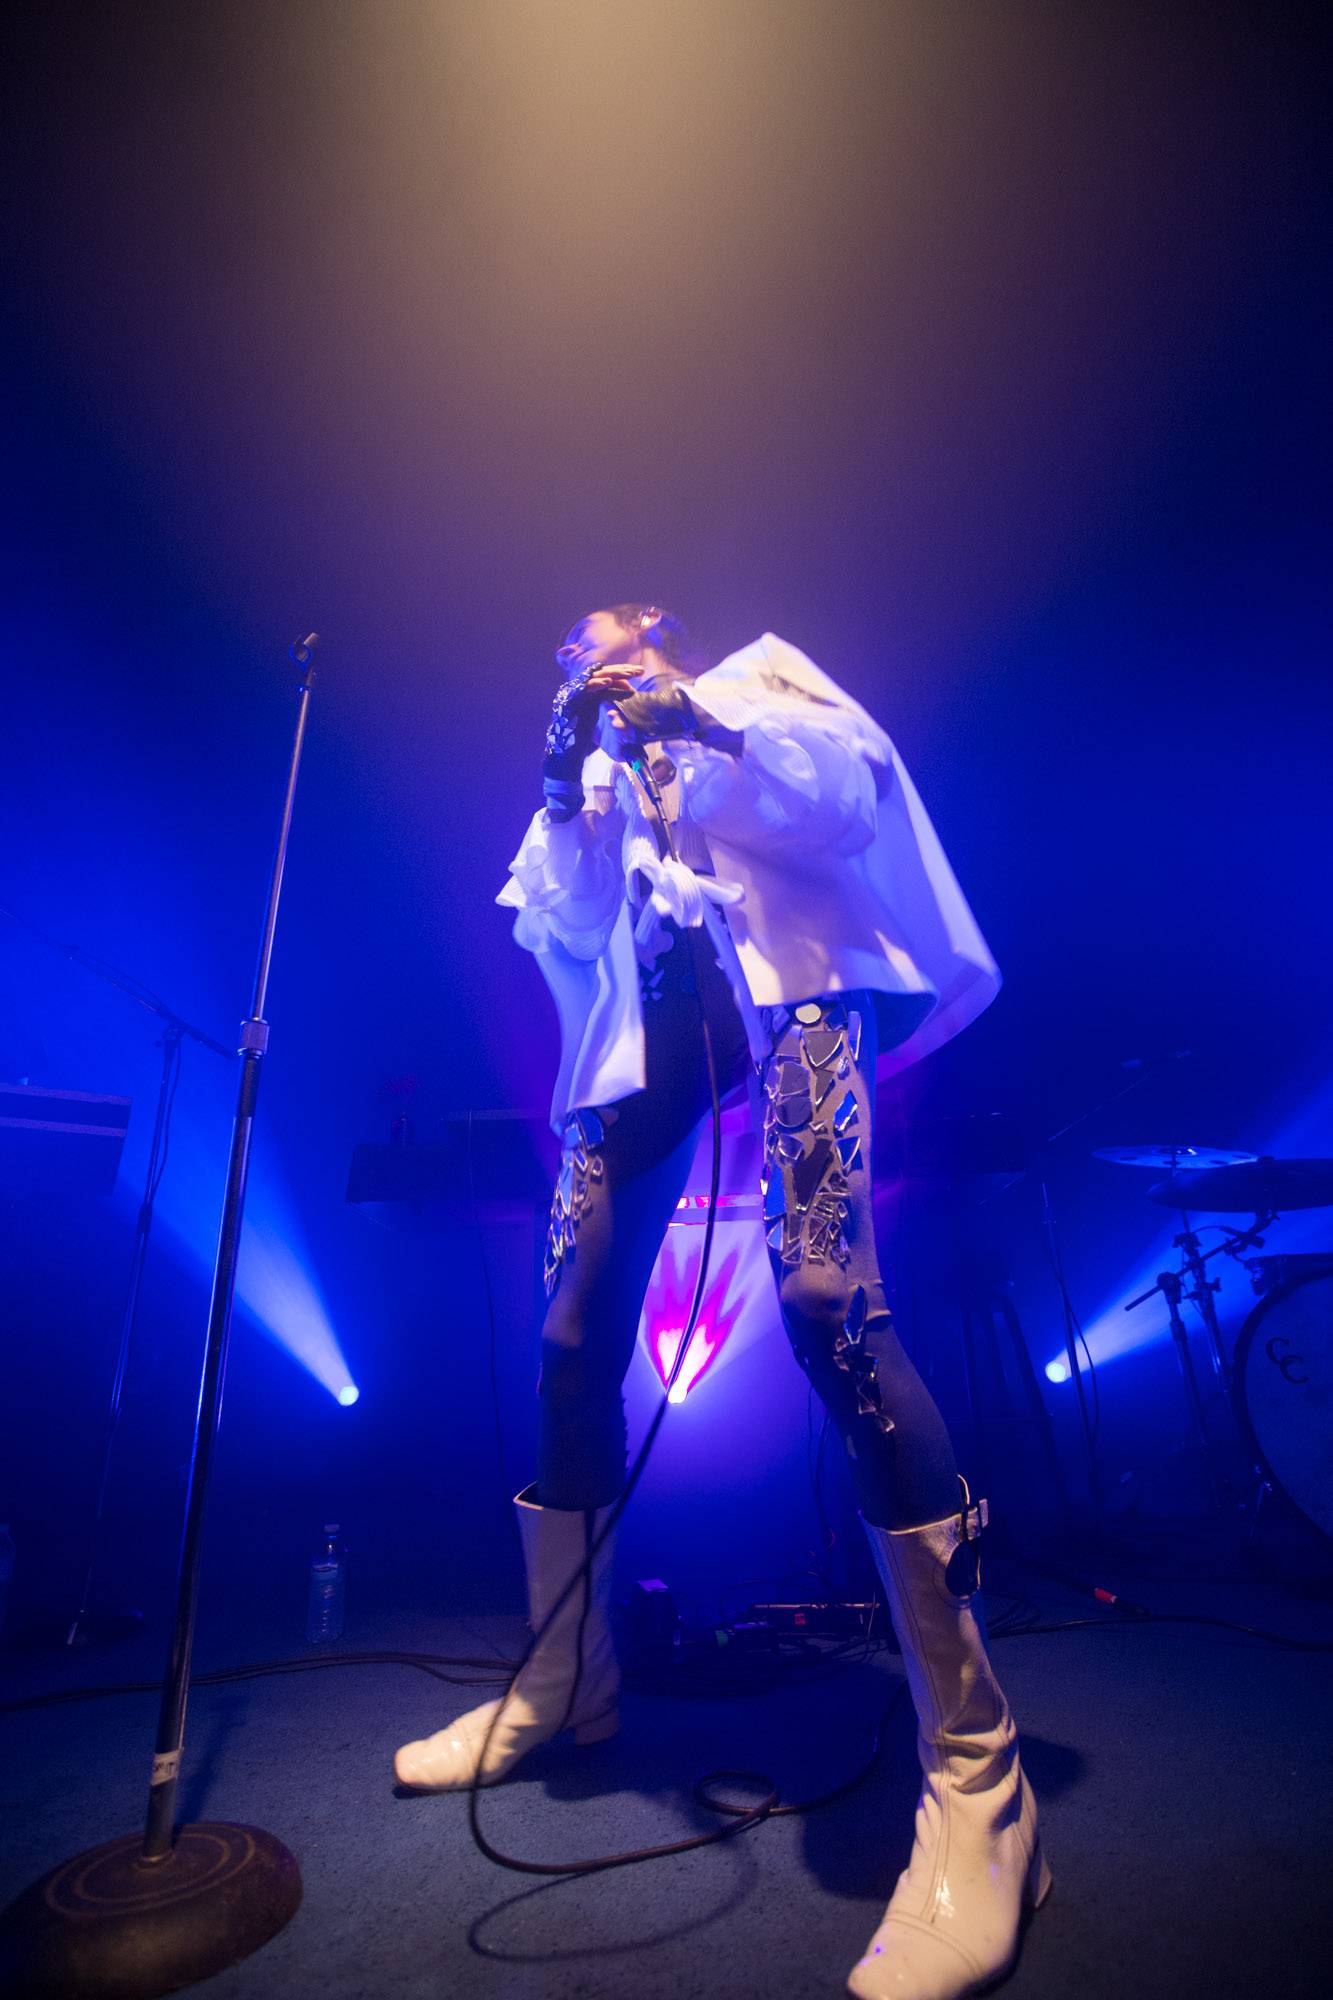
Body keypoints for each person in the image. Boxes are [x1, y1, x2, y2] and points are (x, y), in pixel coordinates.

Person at [394, 606, 1050, 2000]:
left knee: (824, 1299)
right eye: (562, 656)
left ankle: (984, 1792)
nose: (580, 655)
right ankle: (565, 1684)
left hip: (795, 997)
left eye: (599, 636)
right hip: (649, 1028)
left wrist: (697, 721)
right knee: (569, 1339)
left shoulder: (760, 682)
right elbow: (568, 920)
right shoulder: (590, 768)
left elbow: (841, 802)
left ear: (659, 629)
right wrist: (563, 780)